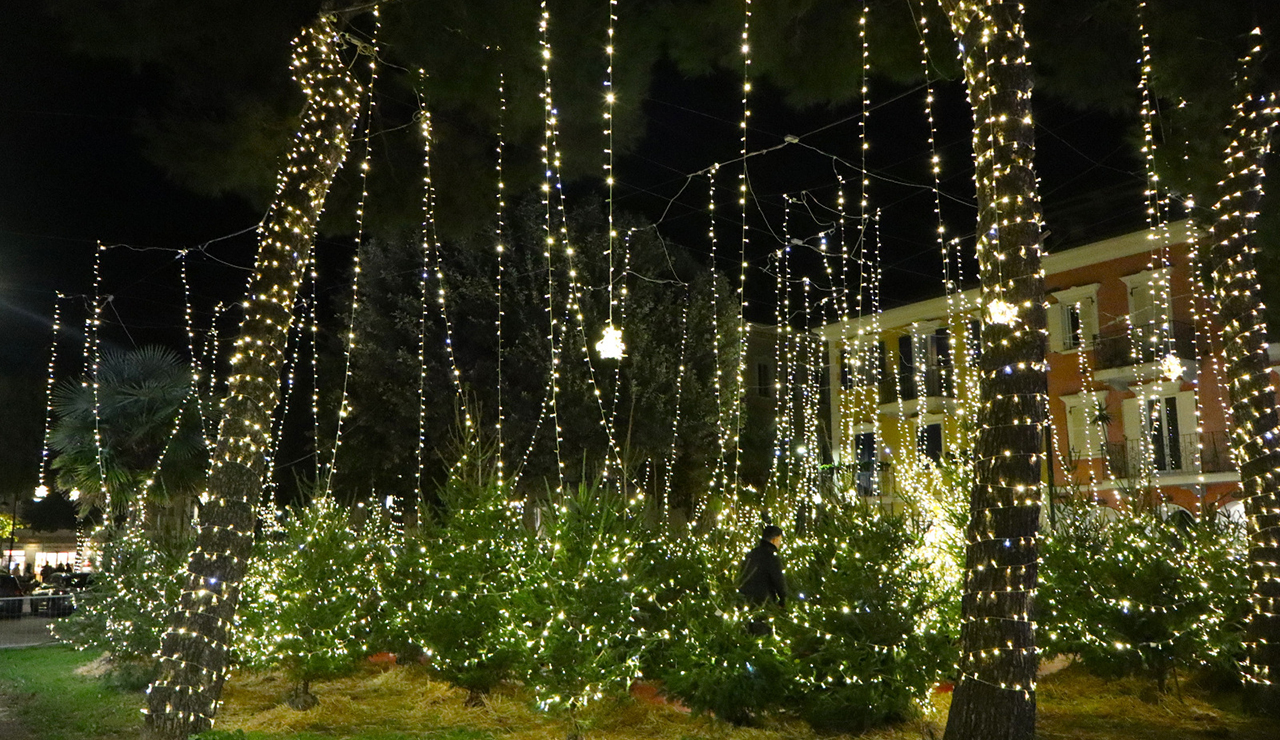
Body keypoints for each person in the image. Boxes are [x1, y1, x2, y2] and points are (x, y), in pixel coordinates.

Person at [739, 525, 786, 636]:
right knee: (762, 633)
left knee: (748, 631)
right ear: (775, 539)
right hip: (764, 601)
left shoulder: (750, 554)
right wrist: (783, 601)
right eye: (780, 540)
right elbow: (779, 581)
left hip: (746, 601)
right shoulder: (772, 558)